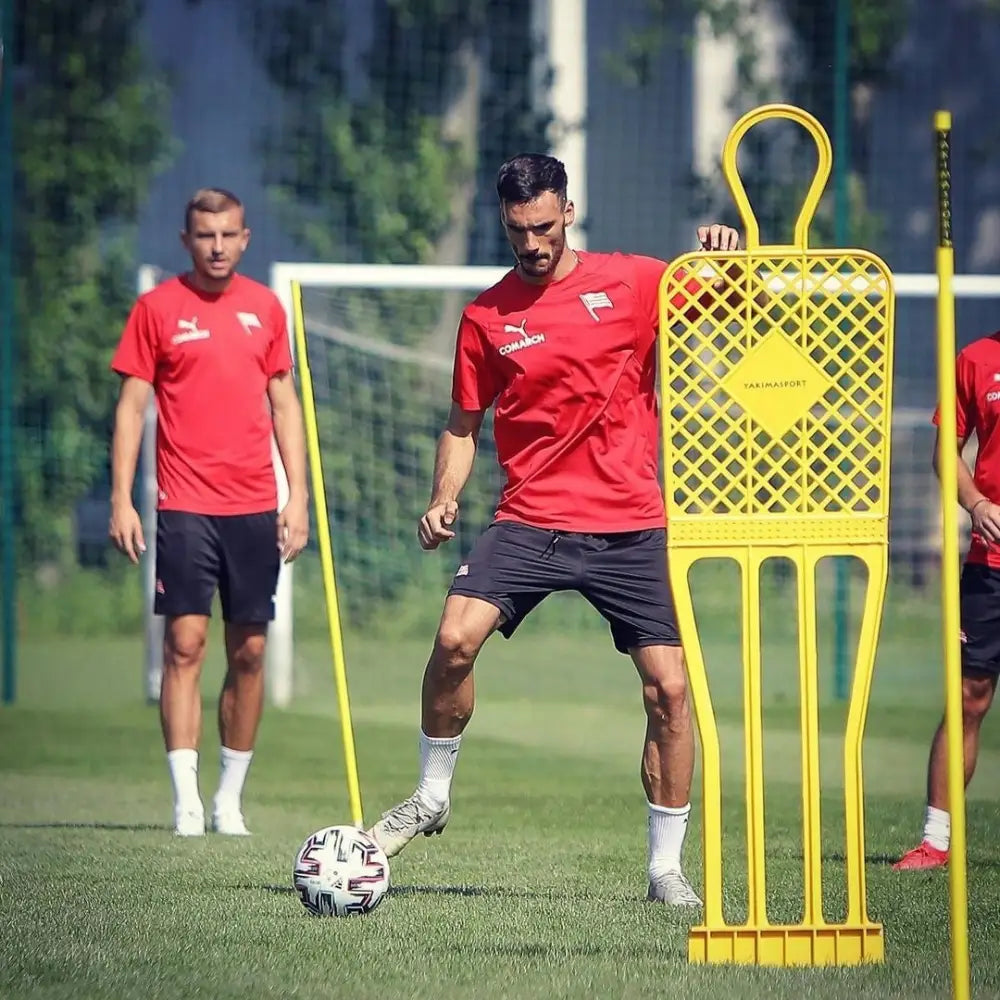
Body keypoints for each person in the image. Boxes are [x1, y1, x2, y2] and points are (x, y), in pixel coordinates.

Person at [366, 153, 739, 905]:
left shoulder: (636, 282)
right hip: (531, 517)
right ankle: (432, 793)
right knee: (451, 640)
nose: (531, 244)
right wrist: (445, 496)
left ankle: (665, 868)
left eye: (542, 227)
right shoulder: (486, 317)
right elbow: (463, 426)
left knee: (669, 693)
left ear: (567, 211)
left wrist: (727, 261)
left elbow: (728, 308)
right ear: (502, 223)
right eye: (516, 231)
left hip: (632, 523)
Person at [109, 188, 309, 837]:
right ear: (186, 241)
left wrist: (297, 497)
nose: (216, 246)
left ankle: (229, 798)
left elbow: (284, 405)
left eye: (227, 235)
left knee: (249, 651)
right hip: (184, 505)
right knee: (184, 643)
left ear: (245, 239)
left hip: (254, 507)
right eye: (205, 236)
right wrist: (121, 500)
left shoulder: (264, 309)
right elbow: (132, 409)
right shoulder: (157, 309)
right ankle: (185, 802)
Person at [894, 331, 1000, 870]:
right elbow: (946, 454)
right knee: (968, 698)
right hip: (990, 568)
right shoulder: (976, 360)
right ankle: (936, 840)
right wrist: (977, 503)